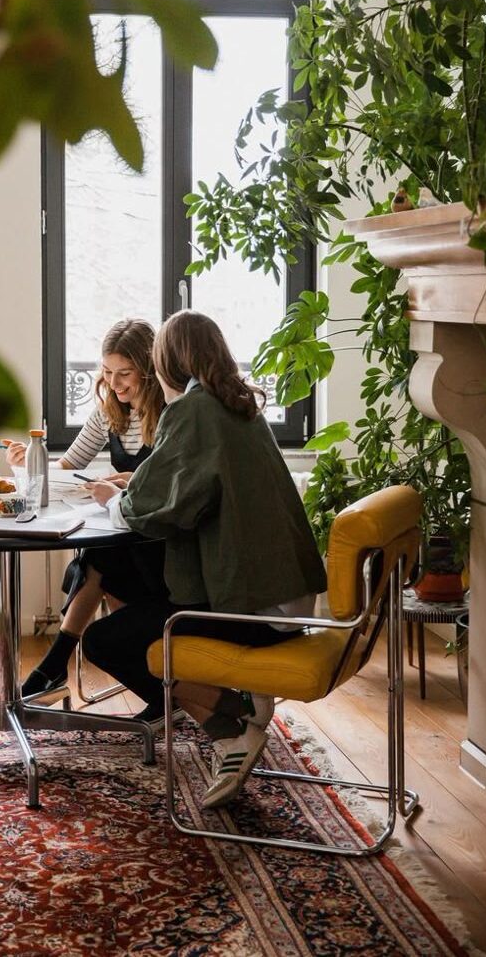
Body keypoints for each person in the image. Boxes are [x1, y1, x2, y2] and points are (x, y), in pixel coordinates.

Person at [82, 310, 326, 809]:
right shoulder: (237, 404)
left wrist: (109, 496)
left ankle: (229, 721)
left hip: (250, 609)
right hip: (286, 598)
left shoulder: (194, 411)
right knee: (129, 570)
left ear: (167, 361)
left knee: (104, 640)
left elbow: (142, 509)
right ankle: (233, 705)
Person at [6, 318, 169, 709]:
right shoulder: (108, 412)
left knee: (100, 558)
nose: (115, 383)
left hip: (161, 540)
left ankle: (54, 664)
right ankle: (141, 683)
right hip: (126, 532)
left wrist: (133, 482)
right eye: (108, 372)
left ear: (148, 371)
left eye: (125, 373)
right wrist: (31, 462)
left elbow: (169, 485)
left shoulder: (169, 414)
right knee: (100, 555)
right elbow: (70, 465)